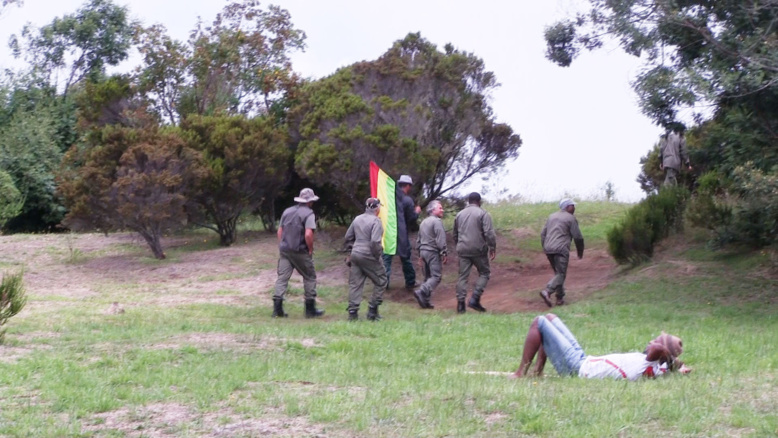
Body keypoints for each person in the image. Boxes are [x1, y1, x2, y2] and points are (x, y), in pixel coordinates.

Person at [510, 314, 692, 380]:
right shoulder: (659, 366)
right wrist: (679, 365)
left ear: (662, 351)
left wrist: (663, 349)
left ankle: (520, 373)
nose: (651, 341)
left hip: (577, 368)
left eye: (656, 340)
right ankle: (537, 372)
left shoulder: (651, 359)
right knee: (550, 318)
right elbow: (672, 362)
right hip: (583, 360)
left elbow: (656, 350)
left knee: (539, 321)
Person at [272, 188, 325, 319]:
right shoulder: (309, 214)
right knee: (310, 276)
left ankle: (277, 309)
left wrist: (282, 245)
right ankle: (310, 309)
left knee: (282, 278)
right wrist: (310, 249)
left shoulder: (287, 211)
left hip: (285, 251)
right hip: (300, 251)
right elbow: (308, 234)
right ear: (310, 201)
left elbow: (280, 231)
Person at [344, 197, 388, 321]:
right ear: (377, 208)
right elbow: (375, 241)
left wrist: (351, 249)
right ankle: (372, 311)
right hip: (369, 254)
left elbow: (348, 236)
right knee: (381, 280)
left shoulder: (357, 219)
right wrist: (377, 254)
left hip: (355, 254)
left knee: (355, 284)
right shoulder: (376, 221)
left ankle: (352, 313)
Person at [453, 192, 496, 313]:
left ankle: (460, 305)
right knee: (485, 273)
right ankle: (475, 299)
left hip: (463, 249)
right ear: (479, 201)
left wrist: (459, 245)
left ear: (468, 201)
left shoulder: (459, 214)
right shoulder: (483, 214)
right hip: (478, 249)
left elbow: (455, 233)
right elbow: (489, 233)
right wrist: (492, 247)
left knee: (463, 276)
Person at [539, 198, 584, 307]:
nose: (574, 208)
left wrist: (545, 247)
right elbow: (578, 237)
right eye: (572, 205)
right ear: (567, 207)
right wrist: (580, 251)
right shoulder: (571, 218)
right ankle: (547, 291)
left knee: (558, 273)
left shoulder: (551, 216)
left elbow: (542, 234)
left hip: (549, 248)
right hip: (561, 249)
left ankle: (560, 298)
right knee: (561, 274)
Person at [382, 174, 422, 290]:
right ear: (408, 186)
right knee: (405, 258)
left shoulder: (389, 198)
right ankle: (410, 282)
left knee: (387, 258)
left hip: (388, 232)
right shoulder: (407, 200)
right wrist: (417, 212)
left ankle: (383, 284)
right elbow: (411, 218)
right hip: (401, 233)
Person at [413, 200, 447, 309]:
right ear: (433, 210)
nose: (442, 210)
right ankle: (421, 291)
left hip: (423, 251)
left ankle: (425, 302)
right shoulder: (436, 222)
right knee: (436, 276)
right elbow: (440, 239)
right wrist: (444, 252)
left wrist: (420, 255)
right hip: (432, 252)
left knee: (428, 277)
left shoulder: (423, 222)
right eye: (440, 208)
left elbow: (419, 239)